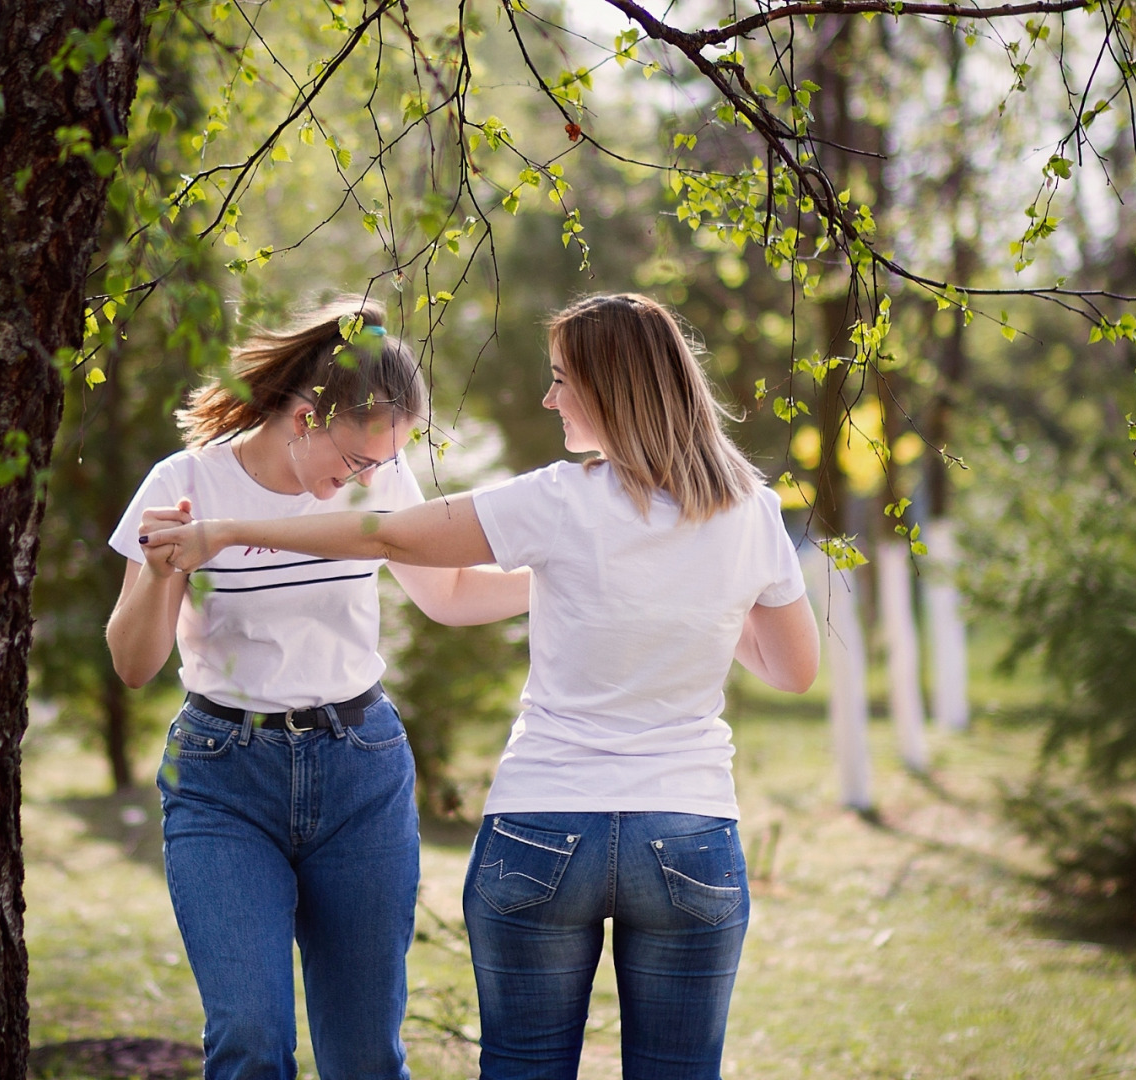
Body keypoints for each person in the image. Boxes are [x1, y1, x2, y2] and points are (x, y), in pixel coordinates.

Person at [150, 292, 821, 1079]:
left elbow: (391, 532)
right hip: (692, 829)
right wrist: (691, 595)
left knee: (523, 1066)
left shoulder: (557, 499)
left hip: (543, 828)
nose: (548, 396)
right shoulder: (751, 510)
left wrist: (229, 529)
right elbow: (792, 670)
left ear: (610, 391)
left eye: (562, 379)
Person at [105, 297, 529, 1080]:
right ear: (305, 416)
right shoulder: (187, 481)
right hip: (223, 778)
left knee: (366, 1055)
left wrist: (571, 571)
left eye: (383, 464)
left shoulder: (384, 478)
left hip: (359, 769)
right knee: (251, 1041)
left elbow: (451, 596)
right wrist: (163, 573)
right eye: (358, 461)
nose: (368, 479)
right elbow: (134, 663)